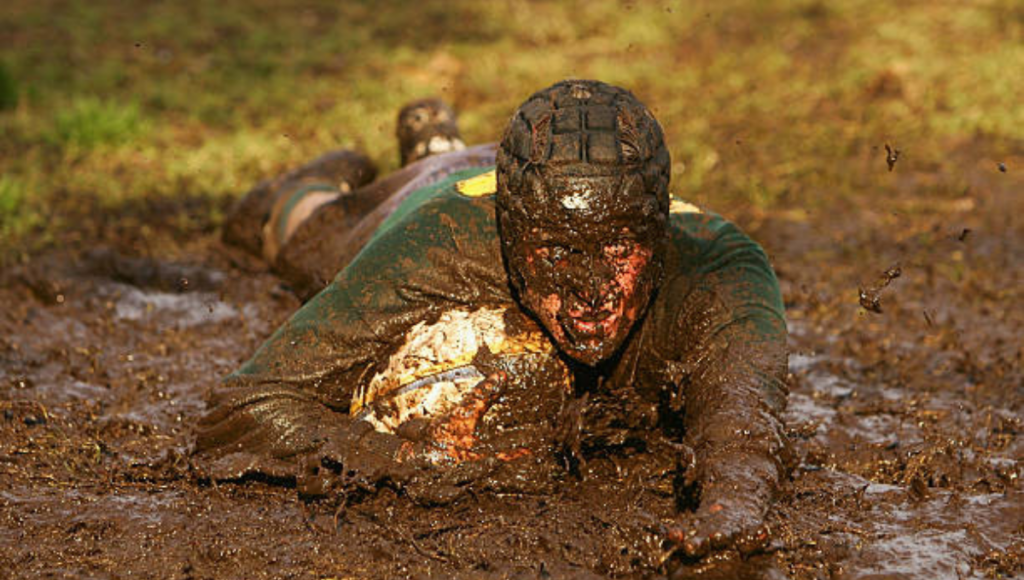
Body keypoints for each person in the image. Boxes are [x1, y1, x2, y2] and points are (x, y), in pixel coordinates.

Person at [195, 79, 792, 560]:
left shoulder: (719, 267)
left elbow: (743, 434)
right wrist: (411, 463)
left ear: (658, 235)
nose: (591, 293)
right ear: (510, 237)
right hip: (422, 195)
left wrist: (729, 512)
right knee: (293, 231)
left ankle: (437, 140)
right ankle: (332, 180)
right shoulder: (440, 242)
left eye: (618, 251)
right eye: (558, 253)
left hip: (509, 174)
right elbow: (243, 405)